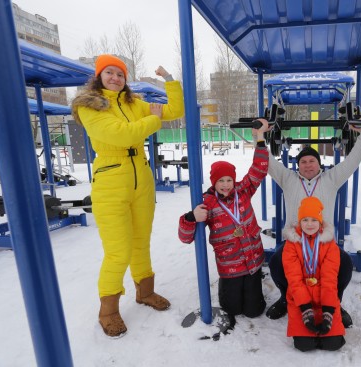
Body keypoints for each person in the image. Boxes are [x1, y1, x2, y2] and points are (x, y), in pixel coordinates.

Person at [71, 54, 185, 337]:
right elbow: (121, 135)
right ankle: (107, 310)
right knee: (118, 250)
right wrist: (153, 122)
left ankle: (145, 292)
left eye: (120, 74)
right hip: (111, 180)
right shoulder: (90, 107)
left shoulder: (134, 104)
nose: (115, 78)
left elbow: (175, 110)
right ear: (99, 77)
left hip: (141, 179)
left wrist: (169, 81)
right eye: (109, 73)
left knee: (140, 242)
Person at [264, 125, 361, 327]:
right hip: (295, 242)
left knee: (345, 264)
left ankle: (335, 303)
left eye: (311, 160)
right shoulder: (288, 179)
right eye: (302, 162)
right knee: (277, 263)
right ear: (298, 165)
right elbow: (267, 162)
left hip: (323, 243)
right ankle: (286, 299)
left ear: (319, 164)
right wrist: (258, 137)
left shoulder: (331, 178)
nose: (307, 165)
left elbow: (352, 162)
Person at [178, 120, 270, 324]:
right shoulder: (207, 203)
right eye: (221, 181)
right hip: (230, 265)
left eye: (229, 180)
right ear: (214, 182)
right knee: (232, 310)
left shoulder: (243, 191)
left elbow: (259, 169)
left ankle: (253, 291)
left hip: (253, 260)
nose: (226, 185)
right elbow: (185, 238)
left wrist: (260, 139)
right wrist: (191, 218)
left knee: (254, 311)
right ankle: (228, 291)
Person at [283, 196, 346, 352]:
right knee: (304, 345)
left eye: (313, 220)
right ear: (299, 222)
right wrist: (305, 308)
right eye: (305, 220)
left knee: (333, 344)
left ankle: (328, 316)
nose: (309, 224)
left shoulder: (329, 244)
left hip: (324, 296)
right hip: (300, 298)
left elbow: (330, 278)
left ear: (320, 221)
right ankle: (306, 316)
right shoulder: (292, 243)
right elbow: (294, 279)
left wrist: (329, 311)